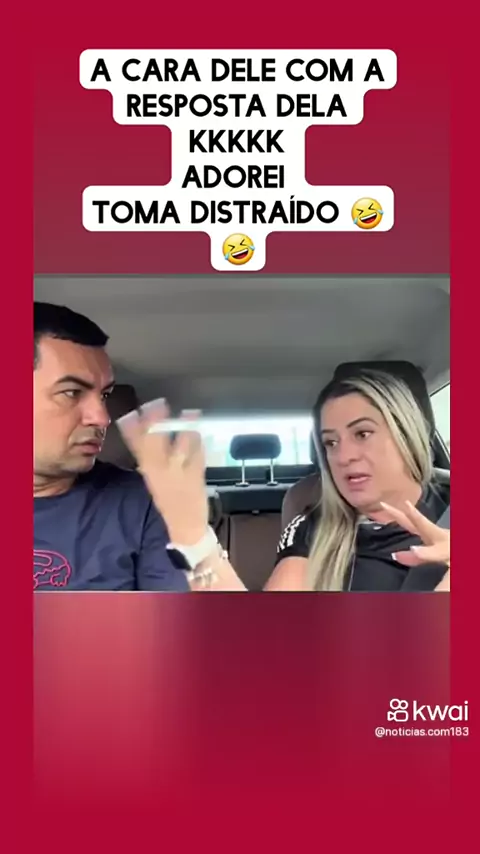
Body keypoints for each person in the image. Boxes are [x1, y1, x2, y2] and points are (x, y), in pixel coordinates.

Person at [117, 370, 450, 592]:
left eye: (362, 433)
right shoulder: (315, 526)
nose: (343, 456)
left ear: (406, 433)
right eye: (330, 442)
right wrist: (192, 537)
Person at [33, 302, 189, 591]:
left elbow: (178, 615)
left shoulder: (144, 501)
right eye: (71, 392)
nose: (103, 418)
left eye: (104, 395)